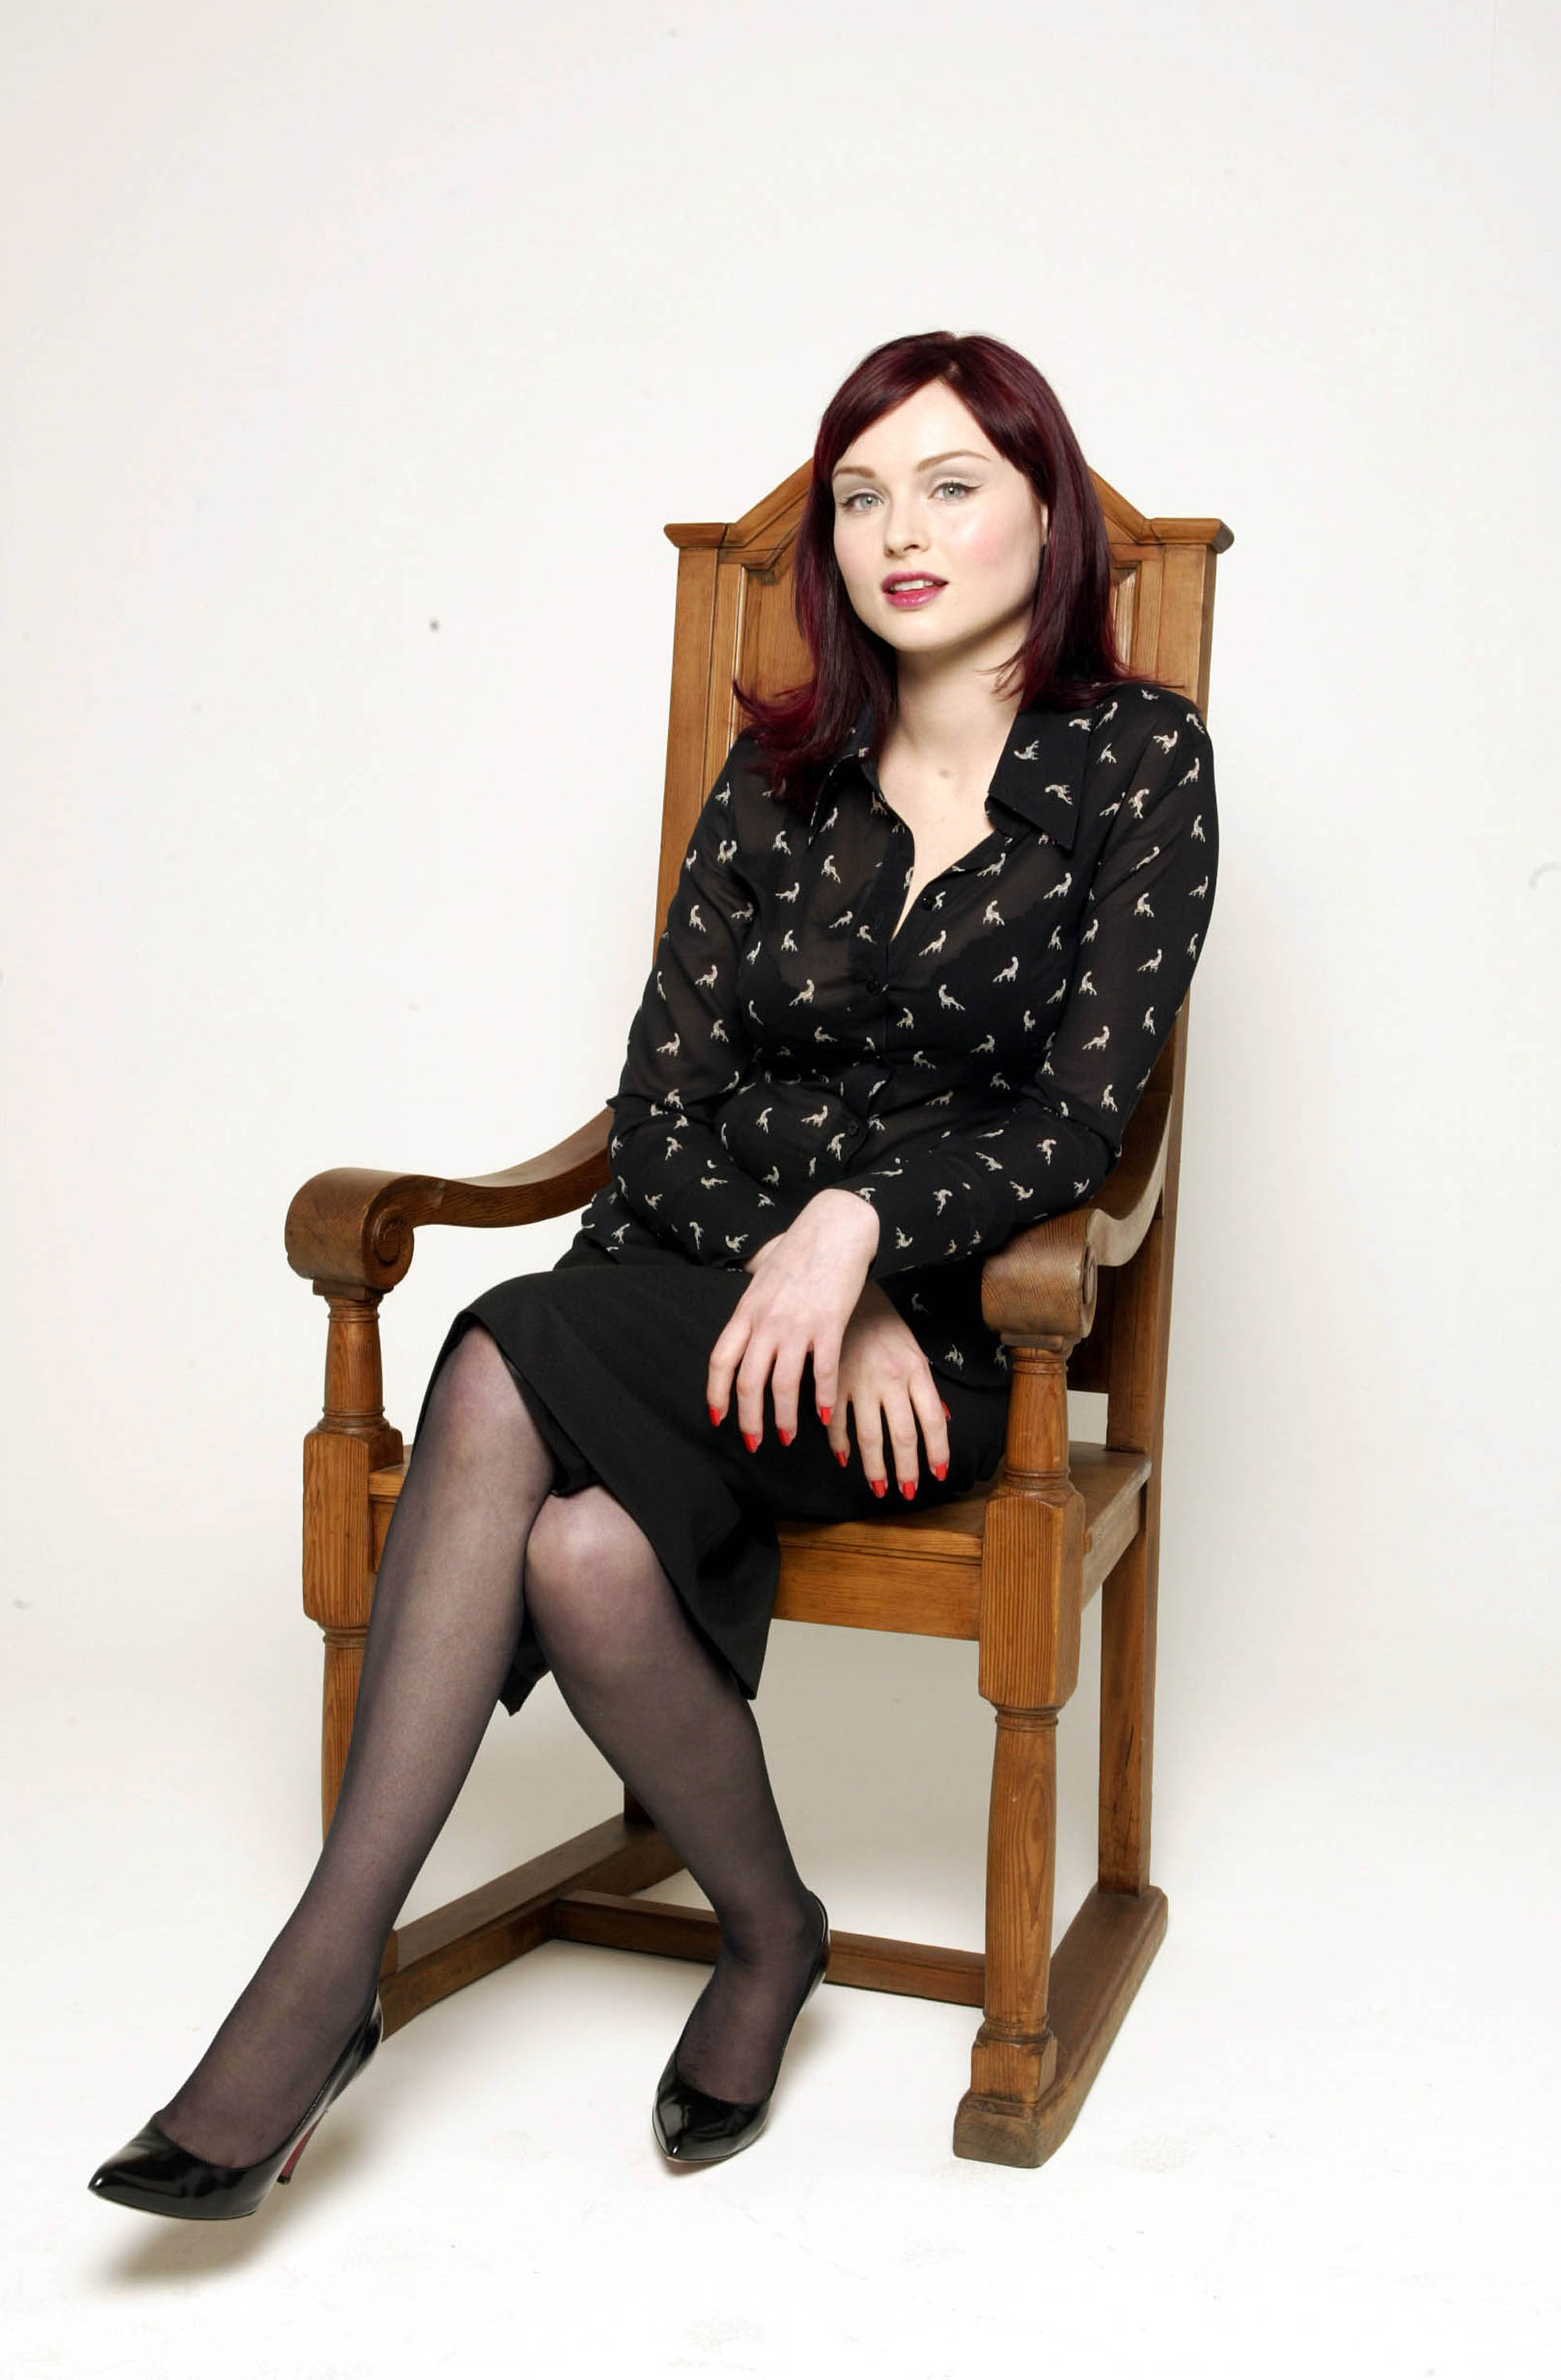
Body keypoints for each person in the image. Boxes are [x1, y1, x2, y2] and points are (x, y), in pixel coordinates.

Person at [88, 329, 1218, 2217]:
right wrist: (802, 1246)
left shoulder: (1140, 763)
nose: (898, 532)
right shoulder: (774, 775)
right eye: (860, 497)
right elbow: (659, 1116)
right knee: (579, 1547)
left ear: (1048, 517)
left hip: (949, 1347)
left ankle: (323, 1990)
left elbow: (1077, 1127)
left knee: (507, 1363)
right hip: (691, 1284)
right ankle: (756, 1932)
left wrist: (866, 1245)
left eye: (949, 487)